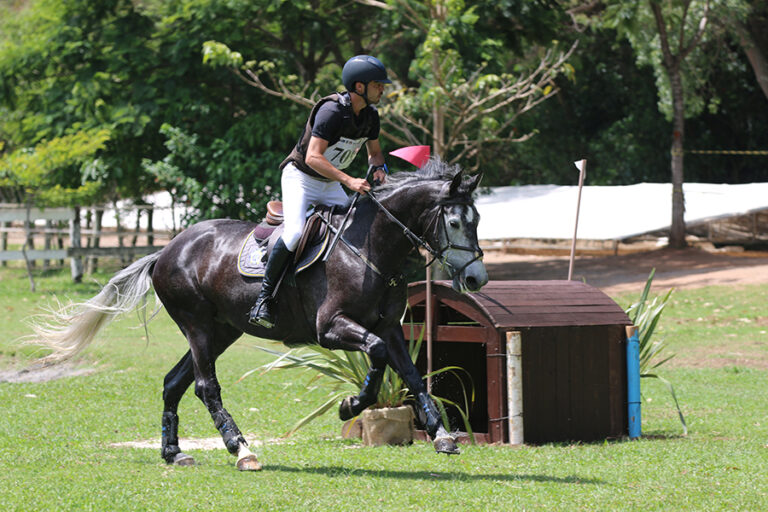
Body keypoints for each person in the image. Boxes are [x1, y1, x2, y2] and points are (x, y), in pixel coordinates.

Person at [249, 55, 392, 328]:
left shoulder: (371, 117)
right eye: (378, 84)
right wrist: (349, 181)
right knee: (294, 233)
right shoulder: (331, 112)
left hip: (329, 183)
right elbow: (314, 157)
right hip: (300, 178)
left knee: (357, 231)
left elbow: (374, 153)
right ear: (359, 87)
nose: (383, 89)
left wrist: (379, 169)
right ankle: (263, 300)